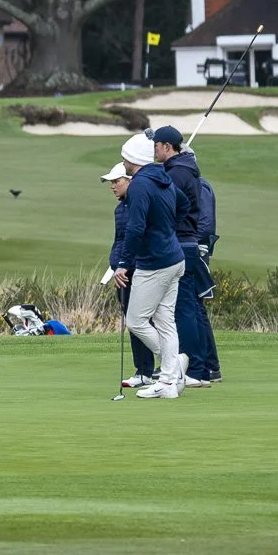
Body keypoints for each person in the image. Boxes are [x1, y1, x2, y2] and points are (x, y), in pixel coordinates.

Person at [112, 132, 185, 399]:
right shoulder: (162, 177)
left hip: (154, 264)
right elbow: (183, 205)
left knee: (136, 320)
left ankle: (172, 367)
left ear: (132, 159)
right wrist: (165, 229)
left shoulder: (141, 184)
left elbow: (135, 229)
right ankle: (168, 382)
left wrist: (123, 264)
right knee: (165, 322)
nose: (123, 162)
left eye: (125, 158)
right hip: (174, 259)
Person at [152, 125, 220, 387]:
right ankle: (201, 369)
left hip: (180, 244)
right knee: (189, 308)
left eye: (157, 145)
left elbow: (171, 210)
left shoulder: (178, 174)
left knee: (184, 309)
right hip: (185, 244)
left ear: (167, 147)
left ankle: (194, 368)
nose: (154, 149)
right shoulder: (182, 170)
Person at [102, 161, 157, 387]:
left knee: (142, 321)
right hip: (122, 272)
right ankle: (143, 371)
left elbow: (135, 240)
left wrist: (124, 265)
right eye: (111, 182)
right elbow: (119, 241)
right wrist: (115, 265)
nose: (112, 186)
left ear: (130, 181)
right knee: (133, 322)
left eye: (117, 181)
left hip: (137, 270)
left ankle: (160, 367)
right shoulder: (120, 208)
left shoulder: (137, 204)